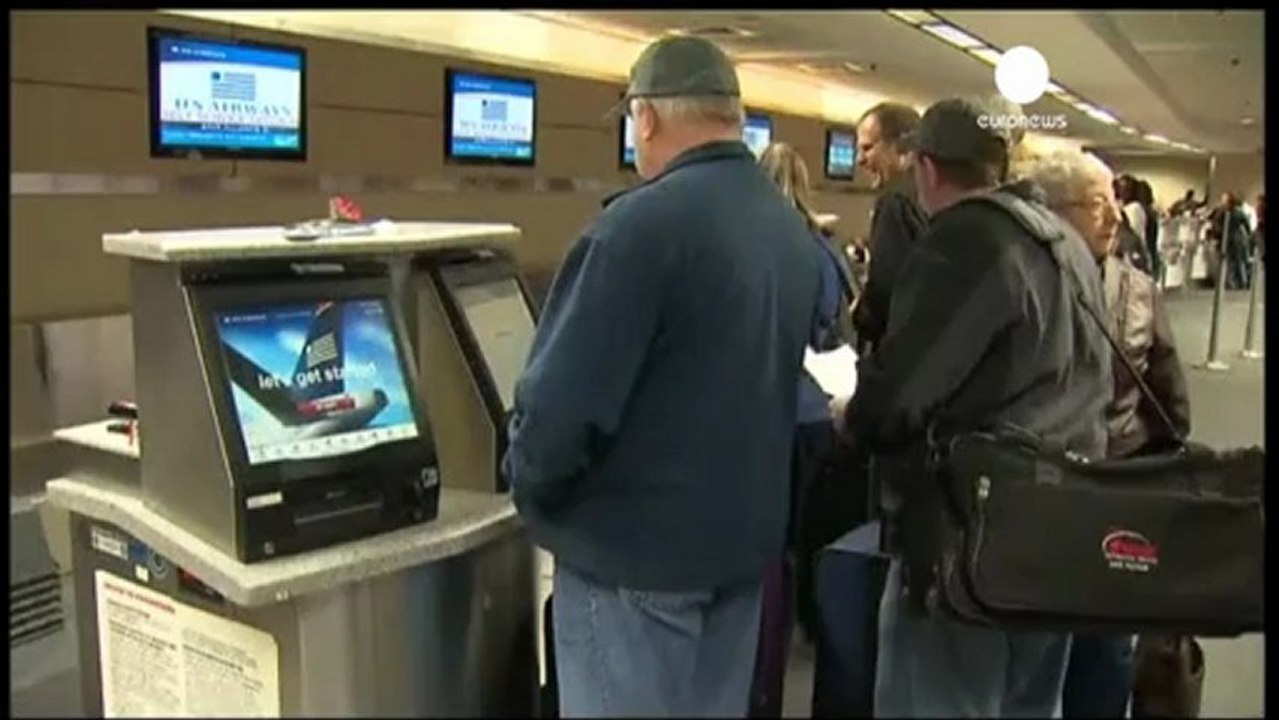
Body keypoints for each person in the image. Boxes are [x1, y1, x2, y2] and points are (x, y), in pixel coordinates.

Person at [504, 36, 821, 717]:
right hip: (738, 555)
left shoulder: (637, 228)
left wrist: (529, 487)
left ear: (644, 117)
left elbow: (561, 409)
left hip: (633, 562)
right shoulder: (785, 228)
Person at [830, 96, 1112, 717]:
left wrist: (854, 413)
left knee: (937, 697)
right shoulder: (1064, 241)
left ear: (926, 167)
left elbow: (898, 398)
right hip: (1061, 526)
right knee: (1028, 704)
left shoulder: (964, 239)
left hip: (971, 543)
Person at [1029, 150, 1192, 719]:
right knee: (1037, 642)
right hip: (1045, 487)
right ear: (1053, 211)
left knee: (1106, 646)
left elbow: (1169, 399)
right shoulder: (1027, 281)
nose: (1115, 217)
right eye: (1098, 204)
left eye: (1114, 203)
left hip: (1119, 484)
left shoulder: (1141, 290)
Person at [749, 142, 855, 718]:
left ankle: (765, 665)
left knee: (769, 549)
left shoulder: (759, 246)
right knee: (805, 543)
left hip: (773, 415)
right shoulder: (822, 248)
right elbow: (832, 327)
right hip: (820, 414)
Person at [851, 102, 928, 353]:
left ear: (899, 146)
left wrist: (859, 314)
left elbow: (885, 293)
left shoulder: (894, 202)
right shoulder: (930, 194)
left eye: (867, 148)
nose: (860, 160)